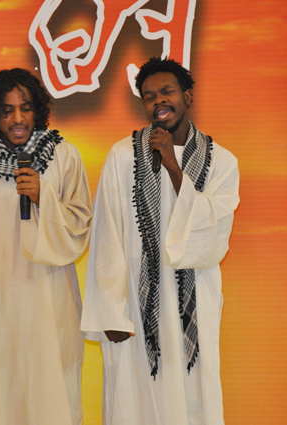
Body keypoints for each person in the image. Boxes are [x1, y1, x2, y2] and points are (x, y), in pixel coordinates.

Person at [80, 57, 240, 425]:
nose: (159, 101)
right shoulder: (122, 156)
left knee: (193, 397)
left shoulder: (222, 162)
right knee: (134, 400)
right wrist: (110, 311)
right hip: (135, 311)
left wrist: (172, 166)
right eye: (149, 96)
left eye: (167, 92)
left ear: (188, 96)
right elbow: (107, 236)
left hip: (195, 305)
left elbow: (213, 239)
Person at [0, 68, 93, 425]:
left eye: (25, 108)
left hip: (48, 301)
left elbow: (80, 224)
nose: (18, 119)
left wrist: (44, 197)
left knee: (49, 397)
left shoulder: (64, 156)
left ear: (38, 109)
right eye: (7, 110)